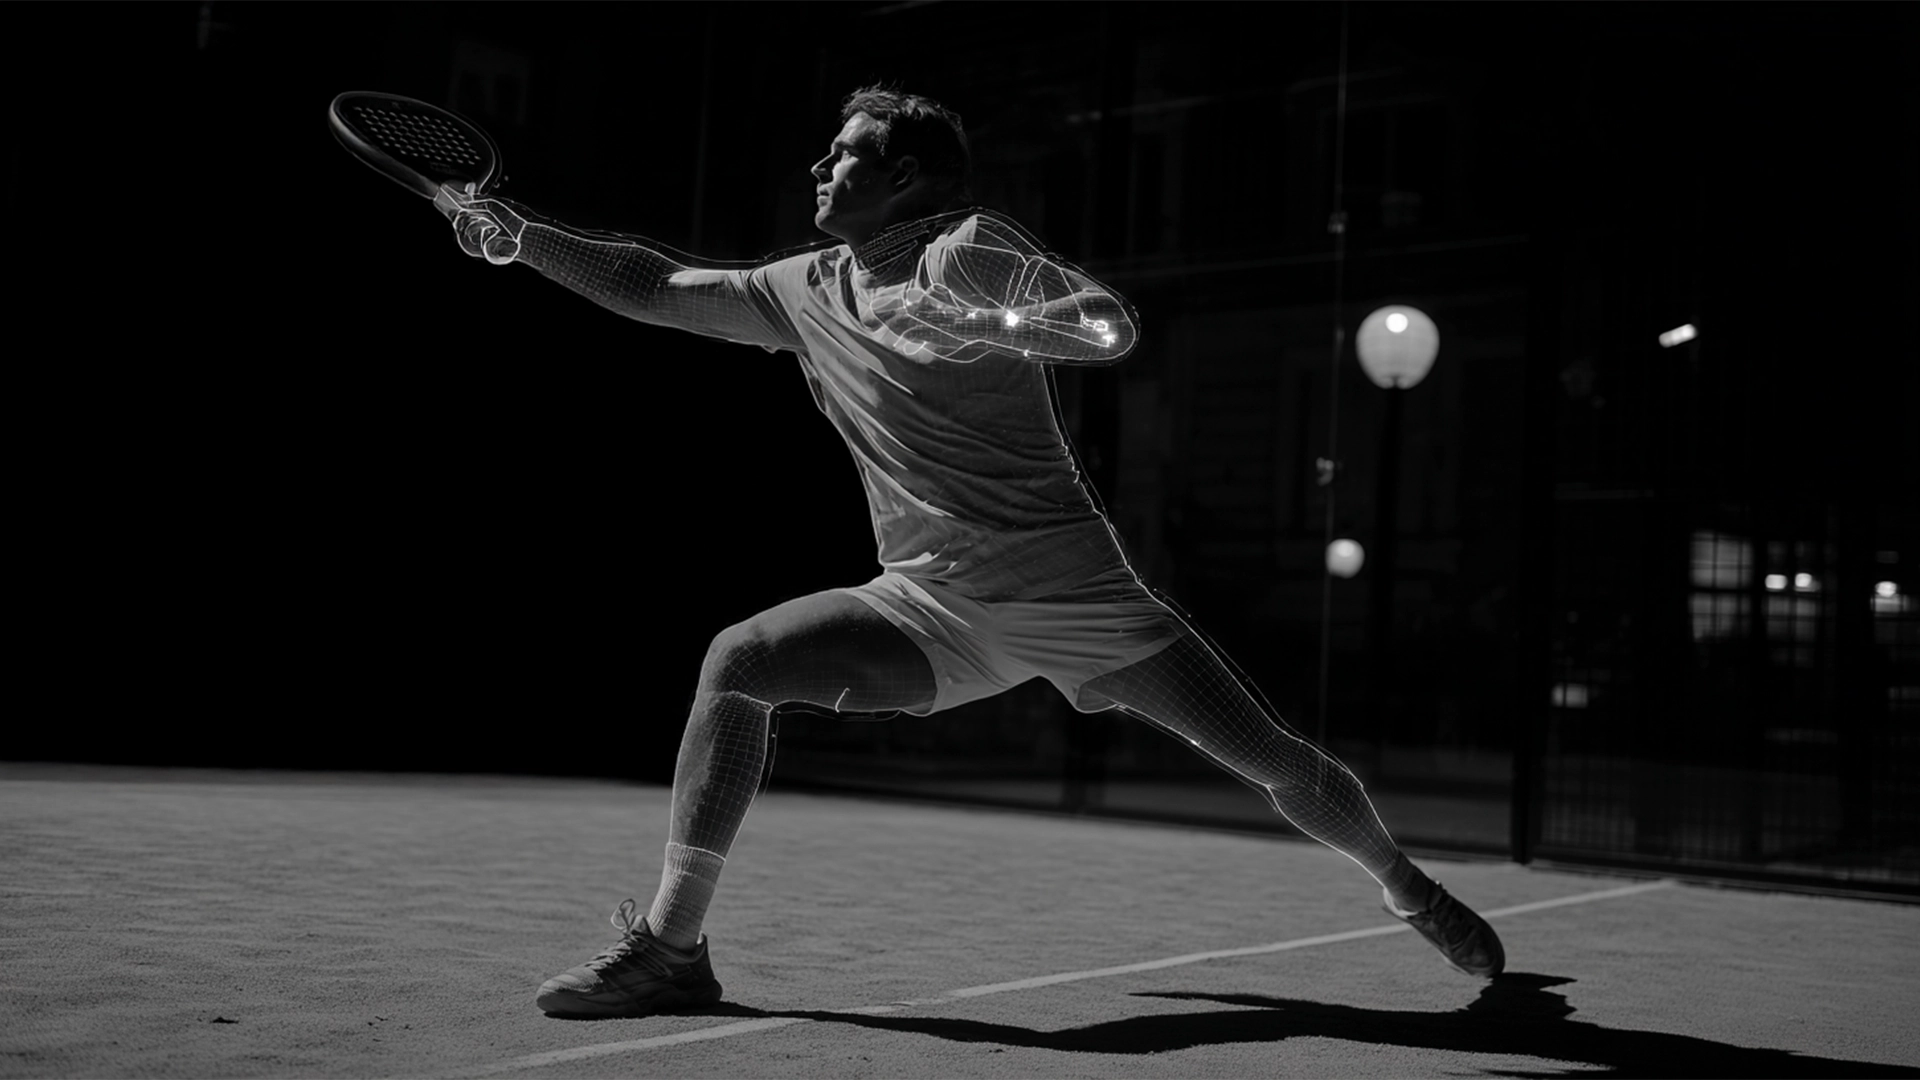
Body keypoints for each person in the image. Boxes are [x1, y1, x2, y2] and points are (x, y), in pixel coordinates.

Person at [434, 85, 1504, 1019]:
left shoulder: (966, 245)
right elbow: (652, 284)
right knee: (739, 663)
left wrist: (1002, 325)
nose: (819, 163)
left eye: (844, 151)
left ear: (903, 178)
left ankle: (1403, 882)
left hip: (1079, 598)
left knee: (1273, 759)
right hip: (929, 606)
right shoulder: (801, 291)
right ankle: (672, 951)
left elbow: (1104, 322)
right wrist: (519, 234)